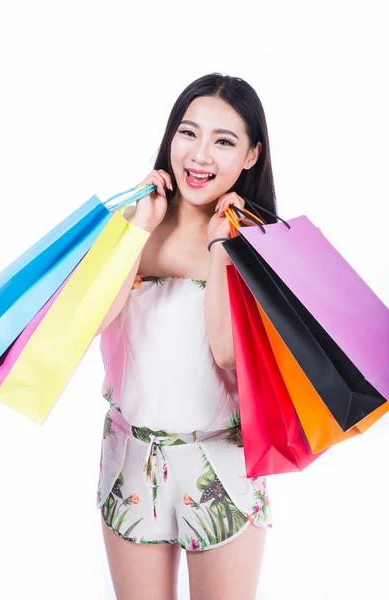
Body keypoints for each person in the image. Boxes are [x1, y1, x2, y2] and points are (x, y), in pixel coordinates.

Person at [94, 72, 278, 600]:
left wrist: (224, 249)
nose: (199, 155)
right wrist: (136, 231)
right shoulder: (137, 222)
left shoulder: (258, 243)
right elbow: (95, 322)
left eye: (223, 141)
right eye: (188, 132)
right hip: (133, 455)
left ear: (250, 156)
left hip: (220, 461)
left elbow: (225, 351)